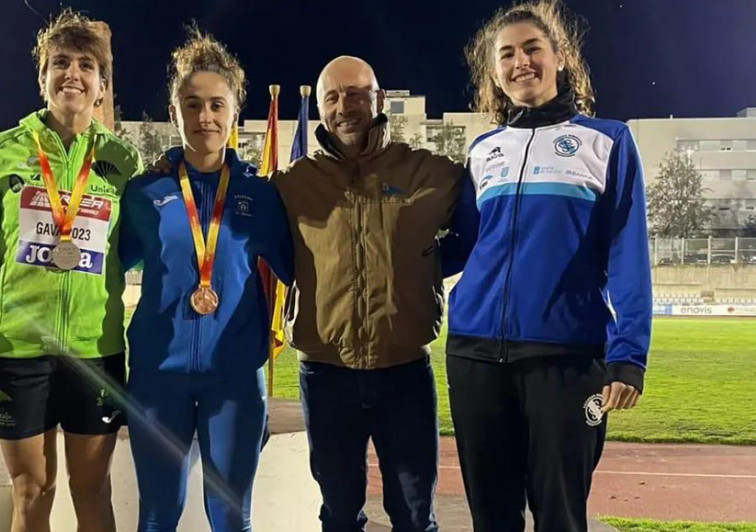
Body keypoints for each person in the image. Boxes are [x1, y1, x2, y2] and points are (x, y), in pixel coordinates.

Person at [443, 2, 652, 530]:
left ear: (559, 57)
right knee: (491, 517)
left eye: (532, 48)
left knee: (560, 515)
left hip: (567, 358)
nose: (521, 62)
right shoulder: (483, 151)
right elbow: (465, 244)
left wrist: (629, 354)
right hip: (474, 353)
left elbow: (628, 253)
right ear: (493, 72)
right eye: (507, 54)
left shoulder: (607, 141)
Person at [0, 10, 142, 532]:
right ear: (43, 78)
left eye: (86, 65)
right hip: (16, 352)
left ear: (102, 85)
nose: (72, 74)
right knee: (32, 493)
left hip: (94, 352)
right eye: (60, 63)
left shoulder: (124, 162)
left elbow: (143, 247)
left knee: (92, 492)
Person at [272, 56, 463, 532]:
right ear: (320, 108)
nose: (345, 106)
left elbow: (482, 230)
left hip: (404, 372)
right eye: (332, 97)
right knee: (338, 512)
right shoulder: (292, 184)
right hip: (325, 373)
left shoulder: (431, 174)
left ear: (379, 99)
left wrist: (429, 271)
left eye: (356, 93)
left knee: (415, 515)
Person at [118, 28, 293, 532]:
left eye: (217, 105)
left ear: (235, 111)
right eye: (191, 105)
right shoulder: (143, 193)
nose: (205, 118)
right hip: (157, 376)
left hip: (235, 379)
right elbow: (102, 265)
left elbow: (300, 271)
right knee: (157, 514)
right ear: (176, 112)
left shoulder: (261, 198)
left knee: (231, 515)